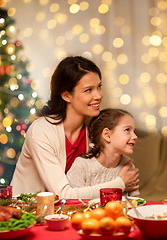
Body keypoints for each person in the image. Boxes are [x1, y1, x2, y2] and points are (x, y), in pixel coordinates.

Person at [10, 56, 139, 198]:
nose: (98, 95)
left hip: (71, 211)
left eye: (99, 87)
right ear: (66, 95)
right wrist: (120, 184)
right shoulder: (41, 132)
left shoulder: (93, 131)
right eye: (88, 90)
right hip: (29, 211)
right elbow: (63, 194)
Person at [67, 108, 139, 197]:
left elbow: (135, 203)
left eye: (134, 131)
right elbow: (73, 200)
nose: (135, 136)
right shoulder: (82, 165)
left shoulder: (128, 166)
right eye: (127, 130)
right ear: (107, 135)